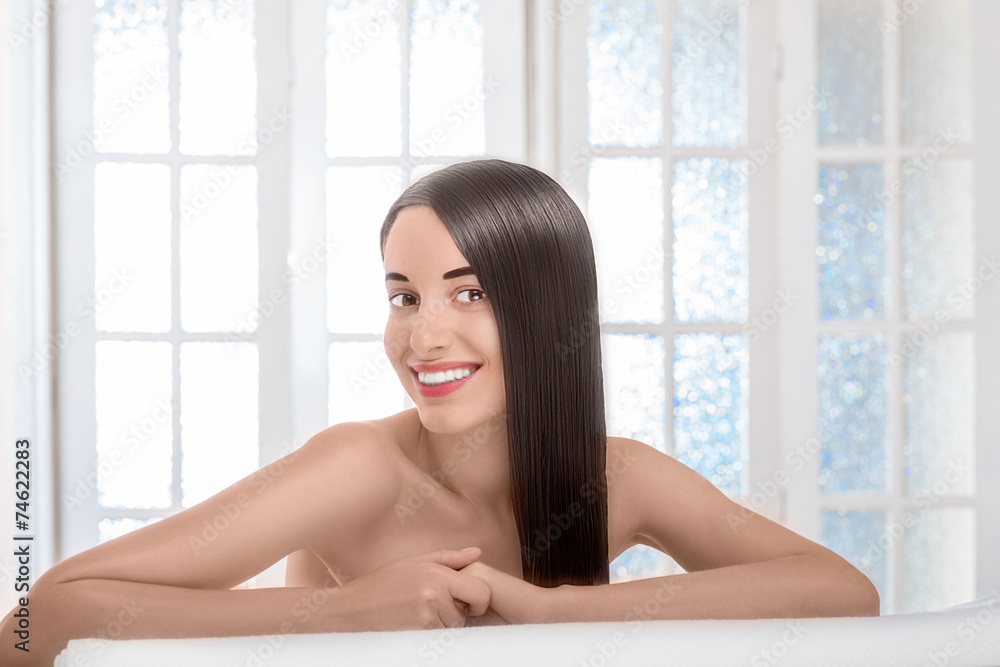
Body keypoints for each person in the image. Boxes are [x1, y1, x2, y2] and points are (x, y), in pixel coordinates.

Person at [0, 159, 878, 666]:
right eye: (405, 297)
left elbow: (846, 594)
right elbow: (35, 624)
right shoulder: (360, 469)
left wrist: (547, 611)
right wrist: (339, 615)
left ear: (546, 310)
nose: (424, 337)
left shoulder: (618, 477)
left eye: (468, 293)